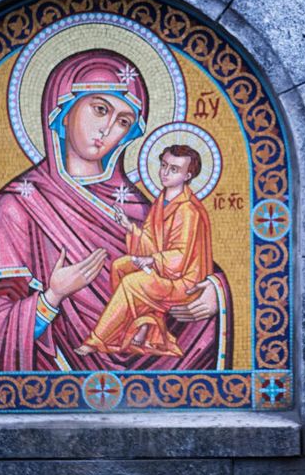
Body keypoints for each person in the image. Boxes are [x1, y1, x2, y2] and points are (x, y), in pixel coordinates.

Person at [0, 49, 233, 373]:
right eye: (100, 109)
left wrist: (215, 293)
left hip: (157, 383)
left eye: (123, 121)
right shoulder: (19, 204)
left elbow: (186, 261)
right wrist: (52, 297)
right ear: (63, 111)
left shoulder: (141, 204)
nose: (108, 128)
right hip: (57, 377)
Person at [75, 144, 214, 358]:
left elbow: (180, 257)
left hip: (184, 281)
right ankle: (138, 325)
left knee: (133, 282)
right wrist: (130, 227)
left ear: (188, 175)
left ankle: (97, 339)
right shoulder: (162, 200)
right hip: (163, 270)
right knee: (120, 266)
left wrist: (150, 260)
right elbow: (151, 240)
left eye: (174, 169)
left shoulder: (188, 210)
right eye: (164, 165)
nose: (165, 173)